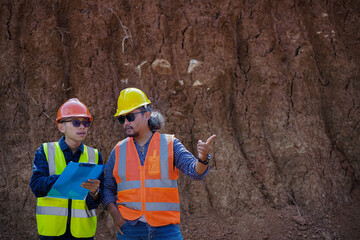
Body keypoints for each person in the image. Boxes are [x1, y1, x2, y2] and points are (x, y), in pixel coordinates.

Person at [102, 87, 216, 240]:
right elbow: (107, 187)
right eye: (122, 119)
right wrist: (116, 216)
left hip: (166, 229)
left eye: (130, 117)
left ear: (147, 115)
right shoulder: (118, 150)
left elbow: (195, 172)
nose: (126, 123)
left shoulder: (170, 144)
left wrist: (203, 159)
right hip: (130, 230)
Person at [30, 98, 104, 240]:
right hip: (52, 233)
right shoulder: (45, 151)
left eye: (85, 123)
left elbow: (94, 203)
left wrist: (95, 193)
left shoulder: (94, 155)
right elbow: (36, 187)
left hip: (83, 234)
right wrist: (64, 178)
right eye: (76, 122)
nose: (82, 127)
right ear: (61, 127)